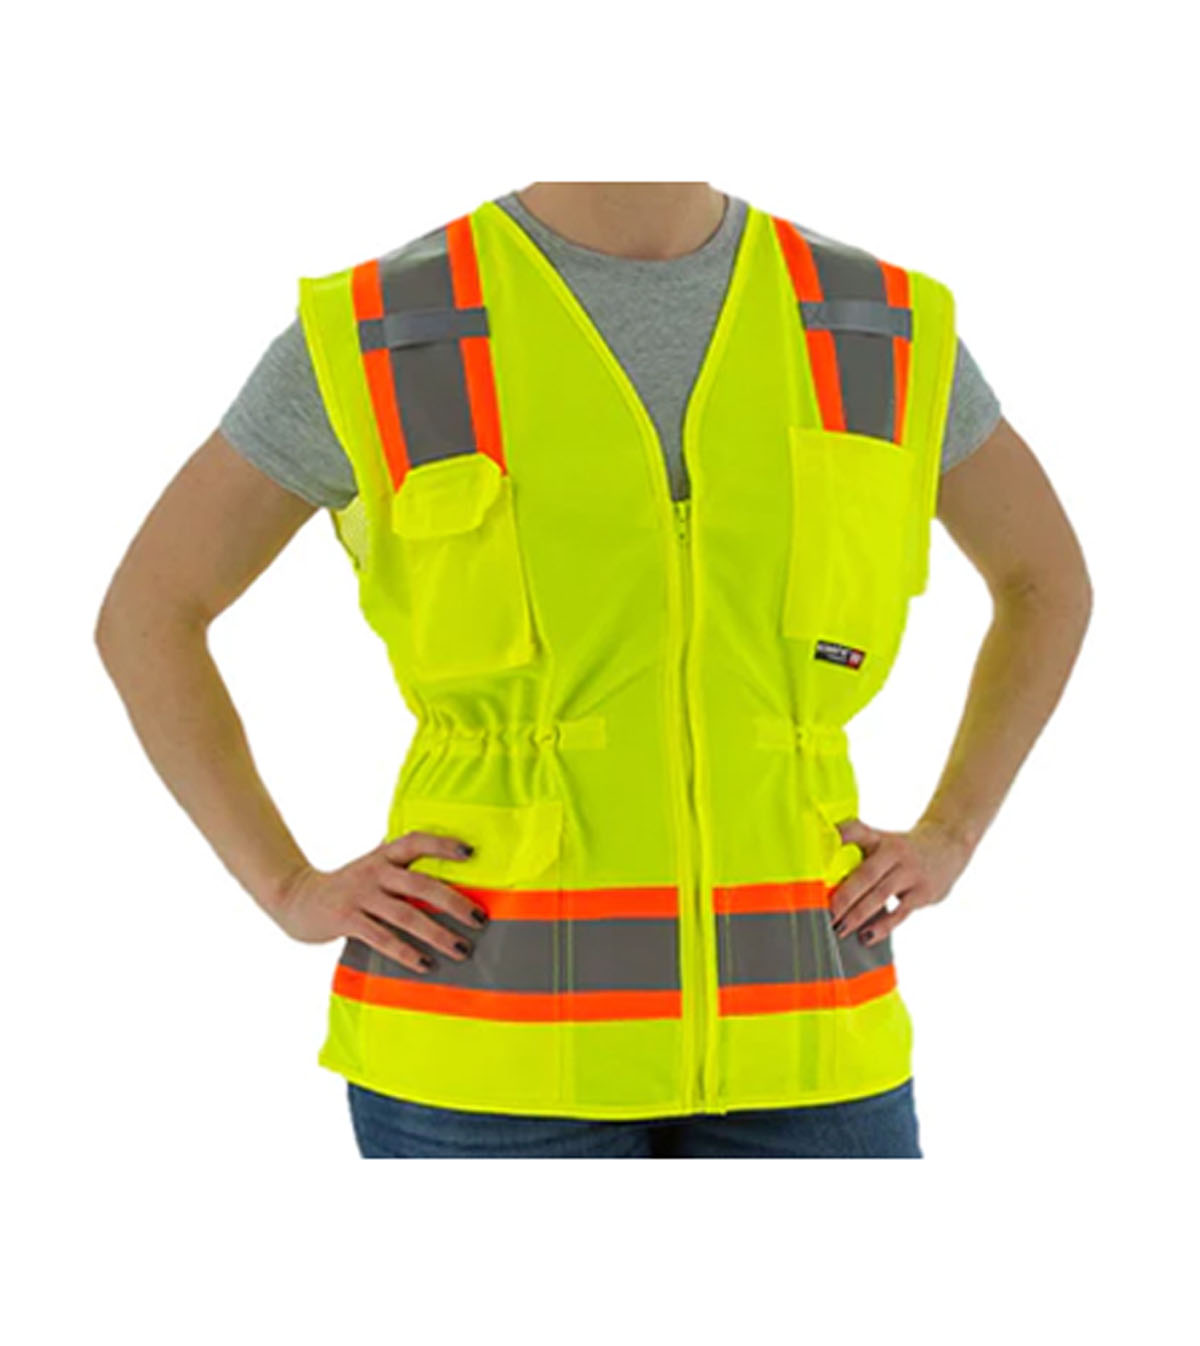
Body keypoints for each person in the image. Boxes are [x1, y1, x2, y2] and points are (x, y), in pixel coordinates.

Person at [94, 182, 1092, 1158]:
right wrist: (285, 886)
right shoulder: (384, 327)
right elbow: (148, 612)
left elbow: (1045, 582)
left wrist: (953, 834)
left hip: (813, 1044)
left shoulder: (878, 324)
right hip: (483, 1063)